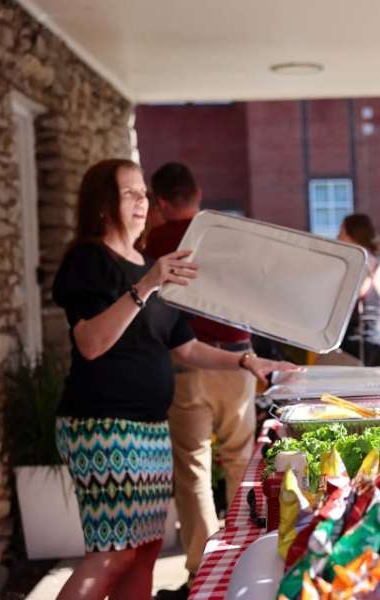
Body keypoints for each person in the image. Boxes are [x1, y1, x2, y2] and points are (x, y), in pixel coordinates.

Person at [52, 159, 296, 600]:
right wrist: (144, 287)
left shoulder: (148, 265)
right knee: (114, 553)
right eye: (129, 193)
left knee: (144, 552)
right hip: (102, 427)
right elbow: (91, 342)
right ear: (103, 205)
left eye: (143, 193)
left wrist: (247, 363)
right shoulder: (89, 260)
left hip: (149, 430)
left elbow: (184, 347)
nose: (142, 202)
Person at [143, 162, 260, 597]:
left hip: (185, 362)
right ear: (199, 191)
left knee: (193, 466)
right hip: (238, 360)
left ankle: (200, 572)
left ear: (159, 202)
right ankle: (240, 566)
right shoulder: (226, 235)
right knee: (240, 461)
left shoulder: (155, 241)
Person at [338, 213, 380, 366]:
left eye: (341, 232)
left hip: (352, 351)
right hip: (378, 346)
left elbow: (343, 305)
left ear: (350, 235)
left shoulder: (355, 265)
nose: (337, 237)